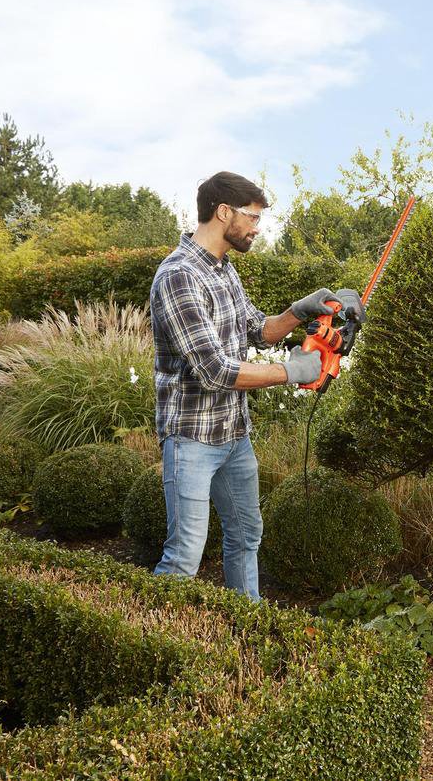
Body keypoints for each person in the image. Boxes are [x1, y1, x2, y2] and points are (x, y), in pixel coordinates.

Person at [148, 171, 361, 600]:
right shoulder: (178, 275)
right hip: (191, 438)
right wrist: (292, 372)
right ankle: (146, 646)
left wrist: (301, 310)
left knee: (246, 537)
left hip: (234, 435)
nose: (256, 228)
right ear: (223, 212)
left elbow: (258, 330)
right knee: (185, 555)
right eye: (252, 217)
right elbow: (215, 370)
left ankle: (245, 631)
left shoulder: (224, 270)